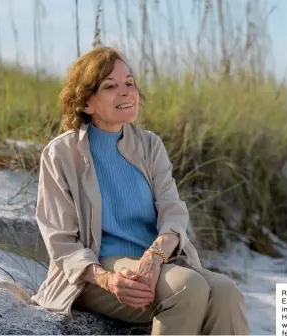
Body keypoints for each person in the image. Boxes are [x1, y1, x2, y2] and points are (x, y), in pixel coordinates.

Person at [31, 46, 249, 335]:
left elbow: (173, 211)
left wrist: (154, 257)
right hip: (94, 273)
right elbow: (60, 242)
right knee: (187, 286)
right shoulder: (61, 154)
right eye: (110, 86)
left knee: (226, 292)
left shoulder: (149, 145)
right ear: (86, 103)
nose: (125, 92)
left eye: (129, 83)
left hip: (155, 264)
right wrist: (108, 280)